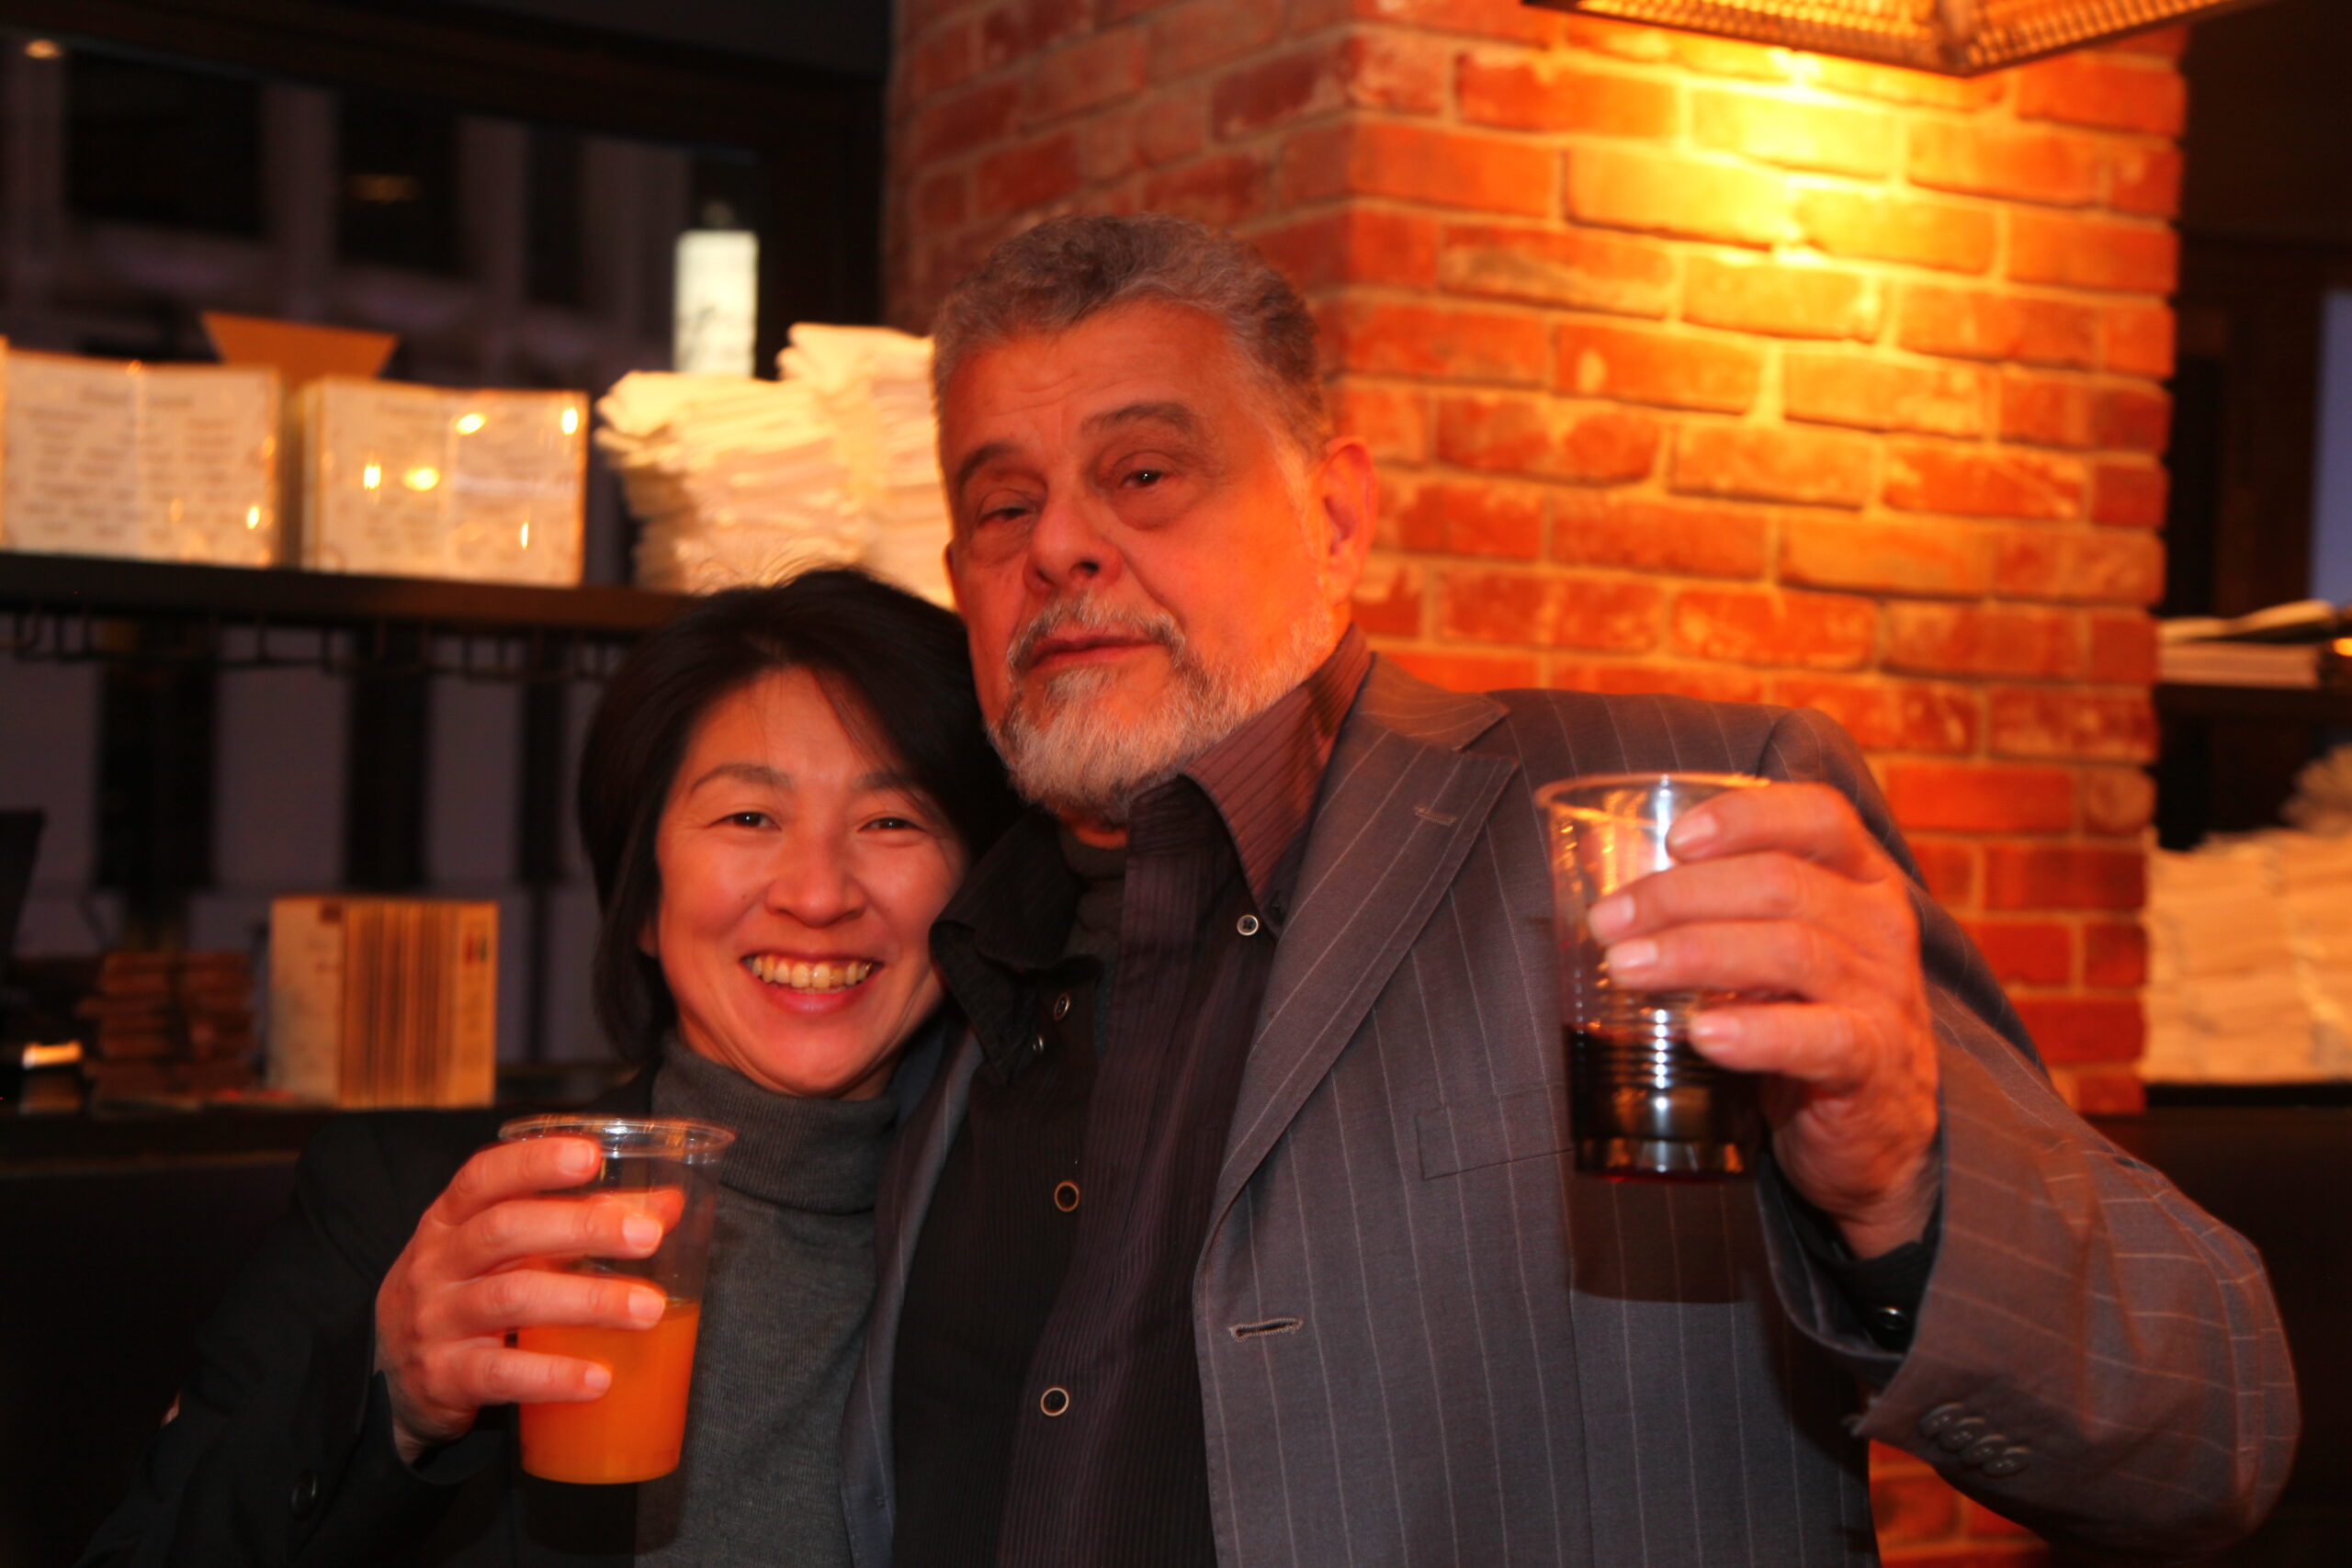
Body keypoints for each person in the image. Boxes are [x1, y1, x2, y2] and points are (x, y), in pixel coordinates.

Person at [845, 215, 2298, 1568]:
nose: (1058, 543)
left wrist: (1902, 1175)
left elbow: (2204, 1432)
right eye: (1003, 503)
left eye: (1146, 473)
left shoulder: (1672, 826)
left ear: (1335, 517)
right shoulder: (940, 968)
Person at [80, 569, 1021, 1567]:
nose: (820, 894)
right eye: (749, 817)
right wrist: (390, 1398)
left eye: (892, 820)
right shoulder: (417, 1213)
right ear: (643, 897)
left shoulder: (1033, 1236)